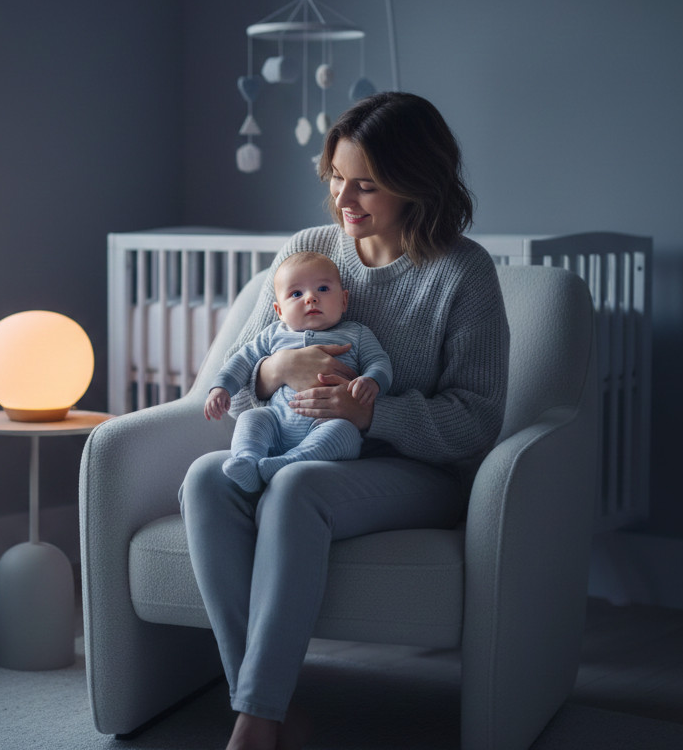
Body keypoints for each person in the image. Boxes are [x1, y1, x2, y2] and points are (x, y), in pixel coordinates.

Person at [179, 92, 509, 750]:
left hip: (416, 472)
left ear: (416, 183)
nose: (343, 200)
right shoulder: (308, 251)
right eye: (335, 177)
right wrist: (276, 372)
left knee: (297, 485)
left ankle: (256, 725)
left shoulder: (462, 272)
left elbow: (476, 420)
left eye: (366, 184)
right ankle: (267, 706)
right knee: (206, 479)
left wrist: (373, 413)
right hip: (297, 441)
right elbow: (241, 384)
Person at [204, 251, 392, 494]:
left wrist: (372, 380)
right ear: (279, 311)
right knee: (251, 418)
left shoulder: (356, 333)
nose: (311, 298)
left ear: (344, 300)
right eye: (296, 294)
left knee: (344, 434)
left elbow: (379, 361)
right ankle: (248, 460)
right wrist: (221, 387)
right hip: (277, 422)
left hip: (327, 422)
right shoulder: (273, 334)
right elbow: (242, 359)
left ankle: (288, 462)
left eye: (323, 289)